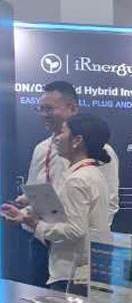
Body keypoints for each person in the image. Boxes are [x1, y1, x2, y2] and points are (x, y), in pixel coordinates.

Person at [13, 81, 119, 286]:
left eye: (49, 108)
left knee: (68, 297)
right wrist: (24, 214)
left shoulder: (99, 154)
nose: (44, 114)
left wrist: (93, 244)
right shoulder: (41, 149)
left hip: (78, 255)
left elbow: (108, 204)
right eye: (40, 109)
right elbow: (38, 194)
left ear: (72, 108)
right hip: (43, 242)